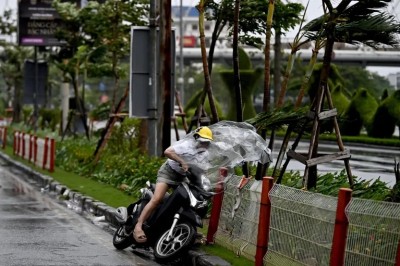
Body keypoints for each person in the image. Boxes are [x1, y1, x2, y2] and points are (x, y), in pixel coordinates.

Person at [133, 126, 214, 243]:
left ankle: (187, 229)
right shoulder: (186, 145)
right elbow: (167, 151)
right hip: (169, 172)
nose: (204, 144)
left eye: (207, 142)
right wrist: (182, 161)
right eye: (202, 141)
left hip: (183, 177)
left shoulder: (204, 153)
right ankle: (138, 226)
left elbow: (203, 169)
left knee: (191, 202)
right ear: (196, 138)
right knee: (157, 199)